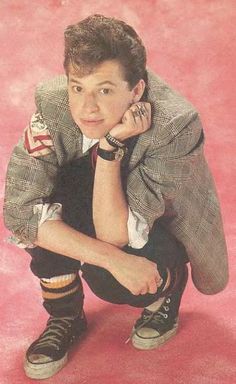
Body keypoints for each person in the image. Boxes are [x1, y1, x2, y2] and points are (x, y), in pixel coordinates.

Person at [3, 14, 228, 380]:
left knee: (110, 281)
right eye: (78, 88)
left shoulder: (176, 123)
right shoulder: (52, 103)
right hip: (92, 205)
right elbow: (21, 210)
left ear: (136, 91)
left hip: (153, 222)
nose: (87, 107)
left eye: (105, 90)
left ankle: (167, 288)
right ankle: (65, 315)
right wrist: (112, 259)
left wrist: (108, 150)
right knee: (48, 207)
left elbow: (116, 235)